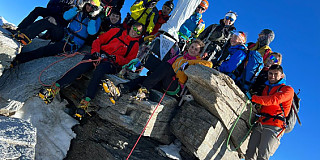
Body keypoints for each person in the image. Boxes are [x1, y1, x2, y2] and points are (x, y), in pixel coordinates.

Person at [39, 23, 143, 119]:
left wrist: (116, 58)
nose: (135, 32)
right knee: (81, 67)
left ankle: (85, 102)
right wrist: (95, 51)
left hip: (111, 63)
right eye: (134, 29)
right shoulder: (117, 31)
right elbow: (99, 40)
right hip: (98, 54)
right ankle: (54, 89)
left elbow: (128, 60)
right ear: (131, 27)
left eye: (138, 32)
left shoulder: (135, 45)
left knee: (99, 72)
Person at [104, 39, 212, 100]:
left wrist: (190, 62)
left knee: (165, 66)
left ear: (199, 53)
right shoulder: (179, 57)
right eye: (192, 47)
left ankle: (144, 88)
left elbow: (209, 64)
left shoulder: (197, 61)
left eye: (196, 49)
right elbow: (163, 67)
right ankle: (119, 91)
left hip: (175, 86)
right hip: (163, 80)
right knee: (148, 73)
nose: (192, 50)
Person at [11, 0, 102, 67]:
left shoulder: (96, 19)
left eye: (92, 7)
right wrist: (77, 8)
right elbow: (66, 17)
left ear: (96, 9)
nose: (89, 8)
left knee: (46, 50)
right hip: (63, 34)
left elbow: (91, 32)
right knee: (50, 20)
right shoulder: (79, 12)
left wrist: (92, 18)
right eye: (88, 5)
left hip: (73, 43)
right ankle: (26, 36)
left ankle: (20, 59)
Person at [245, 64, 294, 160]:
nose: (272, 76)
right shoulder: (266, 88)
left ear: (281, 76)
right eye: (270, 73)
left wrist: (254, 98)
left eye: (276, 74)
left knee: (262, 156)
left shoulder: (288, 90)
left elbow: (274, 100)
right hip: (261, 122)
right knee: (249, 153)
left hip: (274, 125)